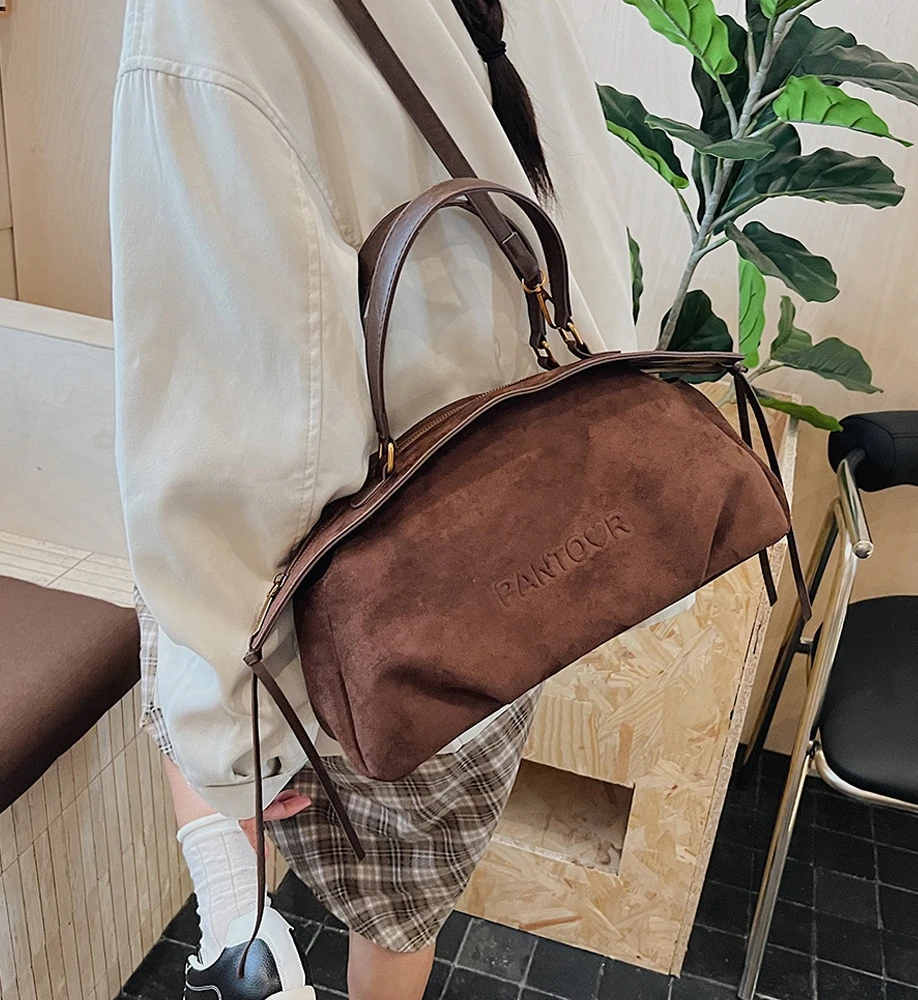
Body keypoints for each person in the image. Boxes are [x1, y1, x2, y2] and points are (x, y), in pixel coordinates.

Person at [110, 1, 647, 998]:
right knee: (405, 903)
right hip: (513, 517)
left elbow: (223, 401)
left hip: (348, 562)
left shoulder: (207, 18)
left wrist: (237, 737)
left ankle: (239, 935)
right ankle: (244, 938)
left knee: (189, 640)